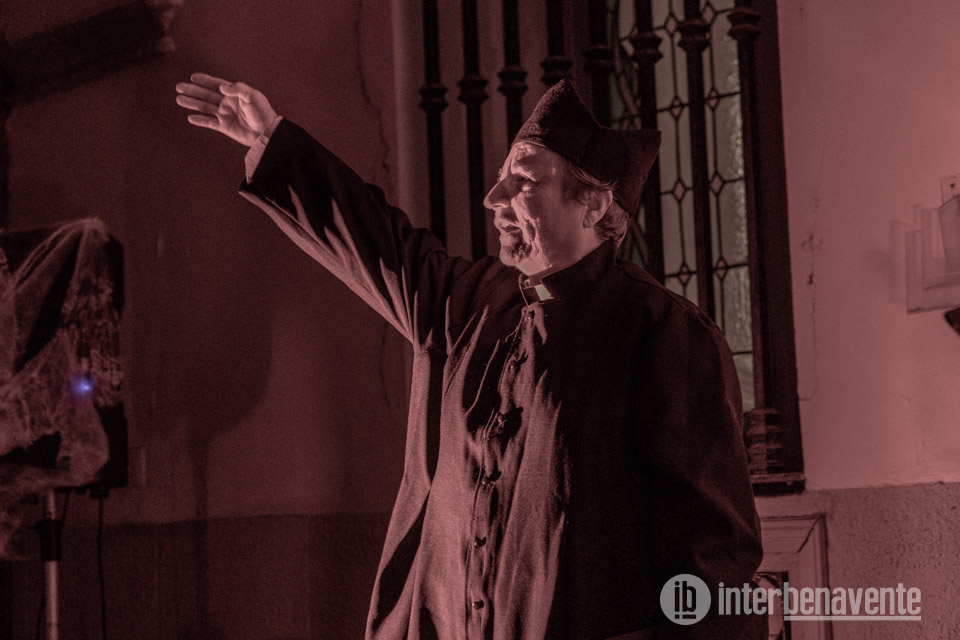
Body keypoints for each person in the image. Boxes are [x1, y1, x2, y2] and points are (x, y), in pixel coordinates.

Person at [175, 72, 763, 640]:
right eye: (499, 180)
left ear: (592, 204)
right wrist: (270, 138)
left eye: (523, 181)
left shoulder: (662, 332)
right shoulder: (469, 304)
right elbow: (373, 238)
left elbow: (714, 555)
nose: (492, 199)